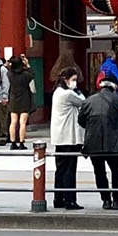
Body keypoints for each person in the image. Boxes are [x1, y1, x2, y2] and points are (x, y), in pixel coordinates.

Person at [79, 71, 118, 209]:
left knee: (99, 172)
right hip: (113, 141)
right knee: (116, 171)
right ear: (114, 86)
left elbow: (81, 121)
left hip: (93, 142)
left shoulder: (88, 100)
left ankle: (105, 200)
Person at [50, 65, 85, 210]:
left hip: (59, 137)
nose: (75, 82)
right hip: (69, 137)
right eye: (73, 79)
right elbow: (84, 102)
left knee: (60, 169)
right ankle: (70, 200)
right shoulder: (68, 94)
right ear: (66, 80)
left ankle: (58, 198)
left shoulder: (57, 92)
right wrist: (77, 90)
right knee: (70, 170)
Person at [7, 54, 34, 150]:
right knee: (22, 122)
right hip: (24, 99)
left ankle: (13, 142)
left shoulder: (10, 74)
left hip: (13, 98)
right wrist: (27, 64)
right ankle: (21, 143)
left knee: (13, 122)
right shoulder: (26, 75)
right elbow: (32, 74)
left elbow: (8, 67)